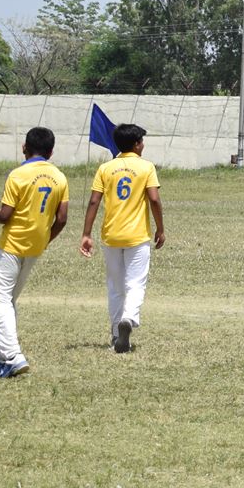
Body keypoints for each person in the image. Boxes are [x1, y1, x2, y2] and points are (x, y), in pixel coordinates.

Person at [0, 127, 69, 378]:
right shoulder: (59, 177)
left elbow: (5, 214)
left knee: (0, 299)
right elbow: (62, 219)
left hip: (12, 244)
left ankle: (13, 356)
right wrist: (45, 240)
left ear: (24, 147)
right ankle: (0, 357)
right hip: (36, 246)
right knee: (8, 300)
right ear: (51, 152)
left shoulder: (18, 174)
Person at [78, 122, 164, 354]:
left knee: (116, 287)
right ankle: (129, 317)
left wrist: (86, 233)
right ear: (136, 145)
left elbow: (94, 201)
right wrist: (160, 228)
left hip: (111, 236)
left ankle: (117, 334)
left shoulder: (106, 168)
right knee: (135, 283)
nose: (143, 145)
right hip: (137, 236)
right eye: (142, 142)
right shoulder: (146, 167)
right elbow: (154, 199)